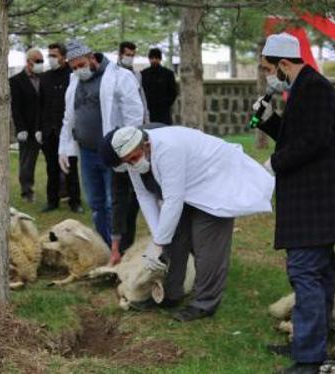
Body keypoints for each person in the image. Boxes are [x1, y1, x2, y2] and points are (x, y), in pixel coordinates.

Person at [255, 33, 335, 374]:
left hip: (315, 199)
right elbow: (296, 134)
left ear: (284, 64)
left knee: (305, 273)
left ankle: (309, 358)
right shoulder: (301, 88)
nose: (268, 76)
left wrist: (275, 163)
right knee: (320, 272)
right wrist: (269, 118)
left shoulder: (314, 87)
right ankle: (308, 340)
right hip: (312, 199)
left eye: (268, 69)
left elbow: (314, 141)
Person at [102, 126, 274, 321]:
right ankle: (171, 294)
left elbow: (173, 199)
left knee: (207, 247)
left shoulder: (168, 148)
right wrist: (158, 238)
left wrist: (158, 243)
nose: (133, 164)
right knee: (174, 239)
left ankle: (205, 303)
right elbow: (145, 196)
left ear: (146, 145)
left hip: (216, 182)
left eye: (134, 158)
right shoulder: (133, 158)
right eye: (128, 162)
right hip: (188, 187)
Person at [58, 39, 145, 246]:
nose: (78, 70)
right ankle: (105, 247)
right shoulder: (74, 82)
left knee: (113, 202)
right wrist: (64, 145)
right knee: (96, 203)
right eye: (74, 67)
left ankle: (121, 247)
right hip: (87, 152)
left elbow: (134, 113)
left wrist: (129, 145)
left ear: (91, 57)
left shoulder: (119, 76)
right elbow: (69, 117)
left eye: (81, 65)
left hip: (113, 151)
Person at [110, 41, 151, 263]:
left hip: (137, 138)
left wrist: (146, 126)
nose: (130, 58)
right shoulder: (112, 76)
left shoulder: (136, 75)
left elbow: (142, 103)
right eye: (127, 54)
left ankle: (128, 242)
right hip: (118, 141)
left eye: (133, 55)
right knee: (118, 197)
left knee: (138, 195)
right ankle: (117, 244)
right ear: (119, 54)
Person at [39, 43, 82, 213]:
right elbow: (40, 105)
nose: (51, 59)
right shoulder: (45, 77)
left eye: (54, 55)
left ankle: (75, 201)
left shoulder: (72, 76)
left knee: (70, 166)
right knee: (51, 168)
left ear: (64, 57)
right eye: (49, 55)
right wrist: (39, 128)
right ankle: (52, 201)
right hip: (49, 130)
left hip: (67, 130)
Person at [10, 48, 45, 203]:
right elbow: (15, 107)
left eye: (41, 61)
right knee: (27, 163)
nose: (40, 64)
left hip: (44, 126)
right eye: (37, 61)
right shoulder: (16, 81)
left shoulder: (45, 78)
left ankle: (61, 191)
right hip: (28, 128)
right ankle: (27, 192)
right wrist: (21, 128)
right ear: (28, 62)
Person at [141, 48, 178, 125]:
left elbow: (173, 92)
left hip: (164, 112)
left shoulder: (168, 74)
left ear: (160, 59)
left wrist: (166, 104)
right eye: (152, 58)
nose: (154, 60)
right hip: (148, 111)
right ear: (149, 59)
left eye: (156, 58)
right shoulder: (143, 74)